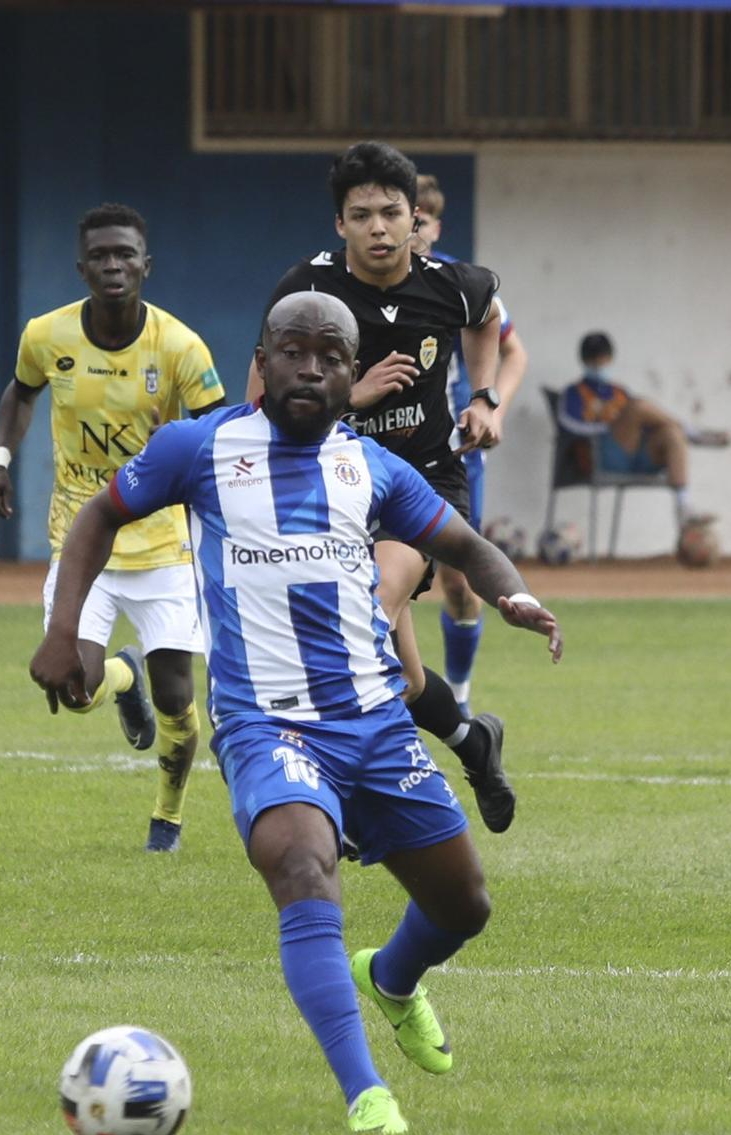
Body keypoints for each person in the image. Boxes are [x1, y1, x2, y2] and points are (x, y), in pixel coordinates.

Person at [32, 292, 563, 1135]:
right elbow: (100, 515)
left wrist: (516, 596)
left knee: (464, 905)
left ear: (355, 374)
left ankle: (389, 978)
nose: (309, 367)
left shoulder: (374, 469)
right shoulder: (198, 449)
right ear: (263, 361)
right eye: (291, 351)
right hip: (265, 724)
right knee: (301, 866)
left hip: (375, 722)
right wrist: (67, 630)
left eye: (329, 355)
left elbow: (462, 546)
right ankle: (366, 1096)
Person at [251, 143, 522, 830]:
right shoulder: (304, 295)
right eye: (361, 214)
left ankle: (341, 802)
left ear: (415, 219)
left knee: (360, 618)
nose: (378, 227)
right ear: (339, 225)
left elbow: (487, 318)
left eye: (391, 213)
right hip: (336, 494)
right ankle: (472, 741)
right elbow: (261, 409)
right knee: (398, 680)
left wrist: (486, 398)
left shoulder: (451, 284)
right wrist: (352, 395)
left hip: (421, 487)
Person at [0, 203, 225, 853]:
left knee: (179, 705)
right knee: (73, 688)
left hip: (165, 545)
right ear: (82, 267)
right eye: (101, 256)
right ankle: (120, 677)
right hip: (82, 539)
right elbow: (20, 392)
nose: (113, 266)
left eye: (125, 255)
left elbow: (219, 436)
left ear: (146, 265)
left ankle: (167, 818)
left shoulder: (179, 346)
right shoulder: (47, 336)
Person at [413, 173, 530, 718]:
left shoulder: (463, 284)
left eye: (418, 219)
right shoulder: (356, 281)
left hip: (452, 449)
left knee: (459, 583)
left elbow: (514, 353)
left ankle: (457, 697)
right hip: (379, 446)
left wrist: (492, 405)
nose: (405, 229)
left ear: (435, 225)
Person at [556, 331, 721, 542]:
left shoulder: (619, 392)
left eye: (603, 358)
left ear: (610, 359)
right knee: (639, 406)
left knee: (671, 434)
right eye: (593, 359)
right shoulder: (573, 393)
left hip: (633, 457)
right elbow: (568, 425)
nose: (599, 363)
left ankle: (684, 506)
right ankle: (691, 432)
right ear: (584, 360)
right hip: (601, 455)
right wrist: (608, 428)